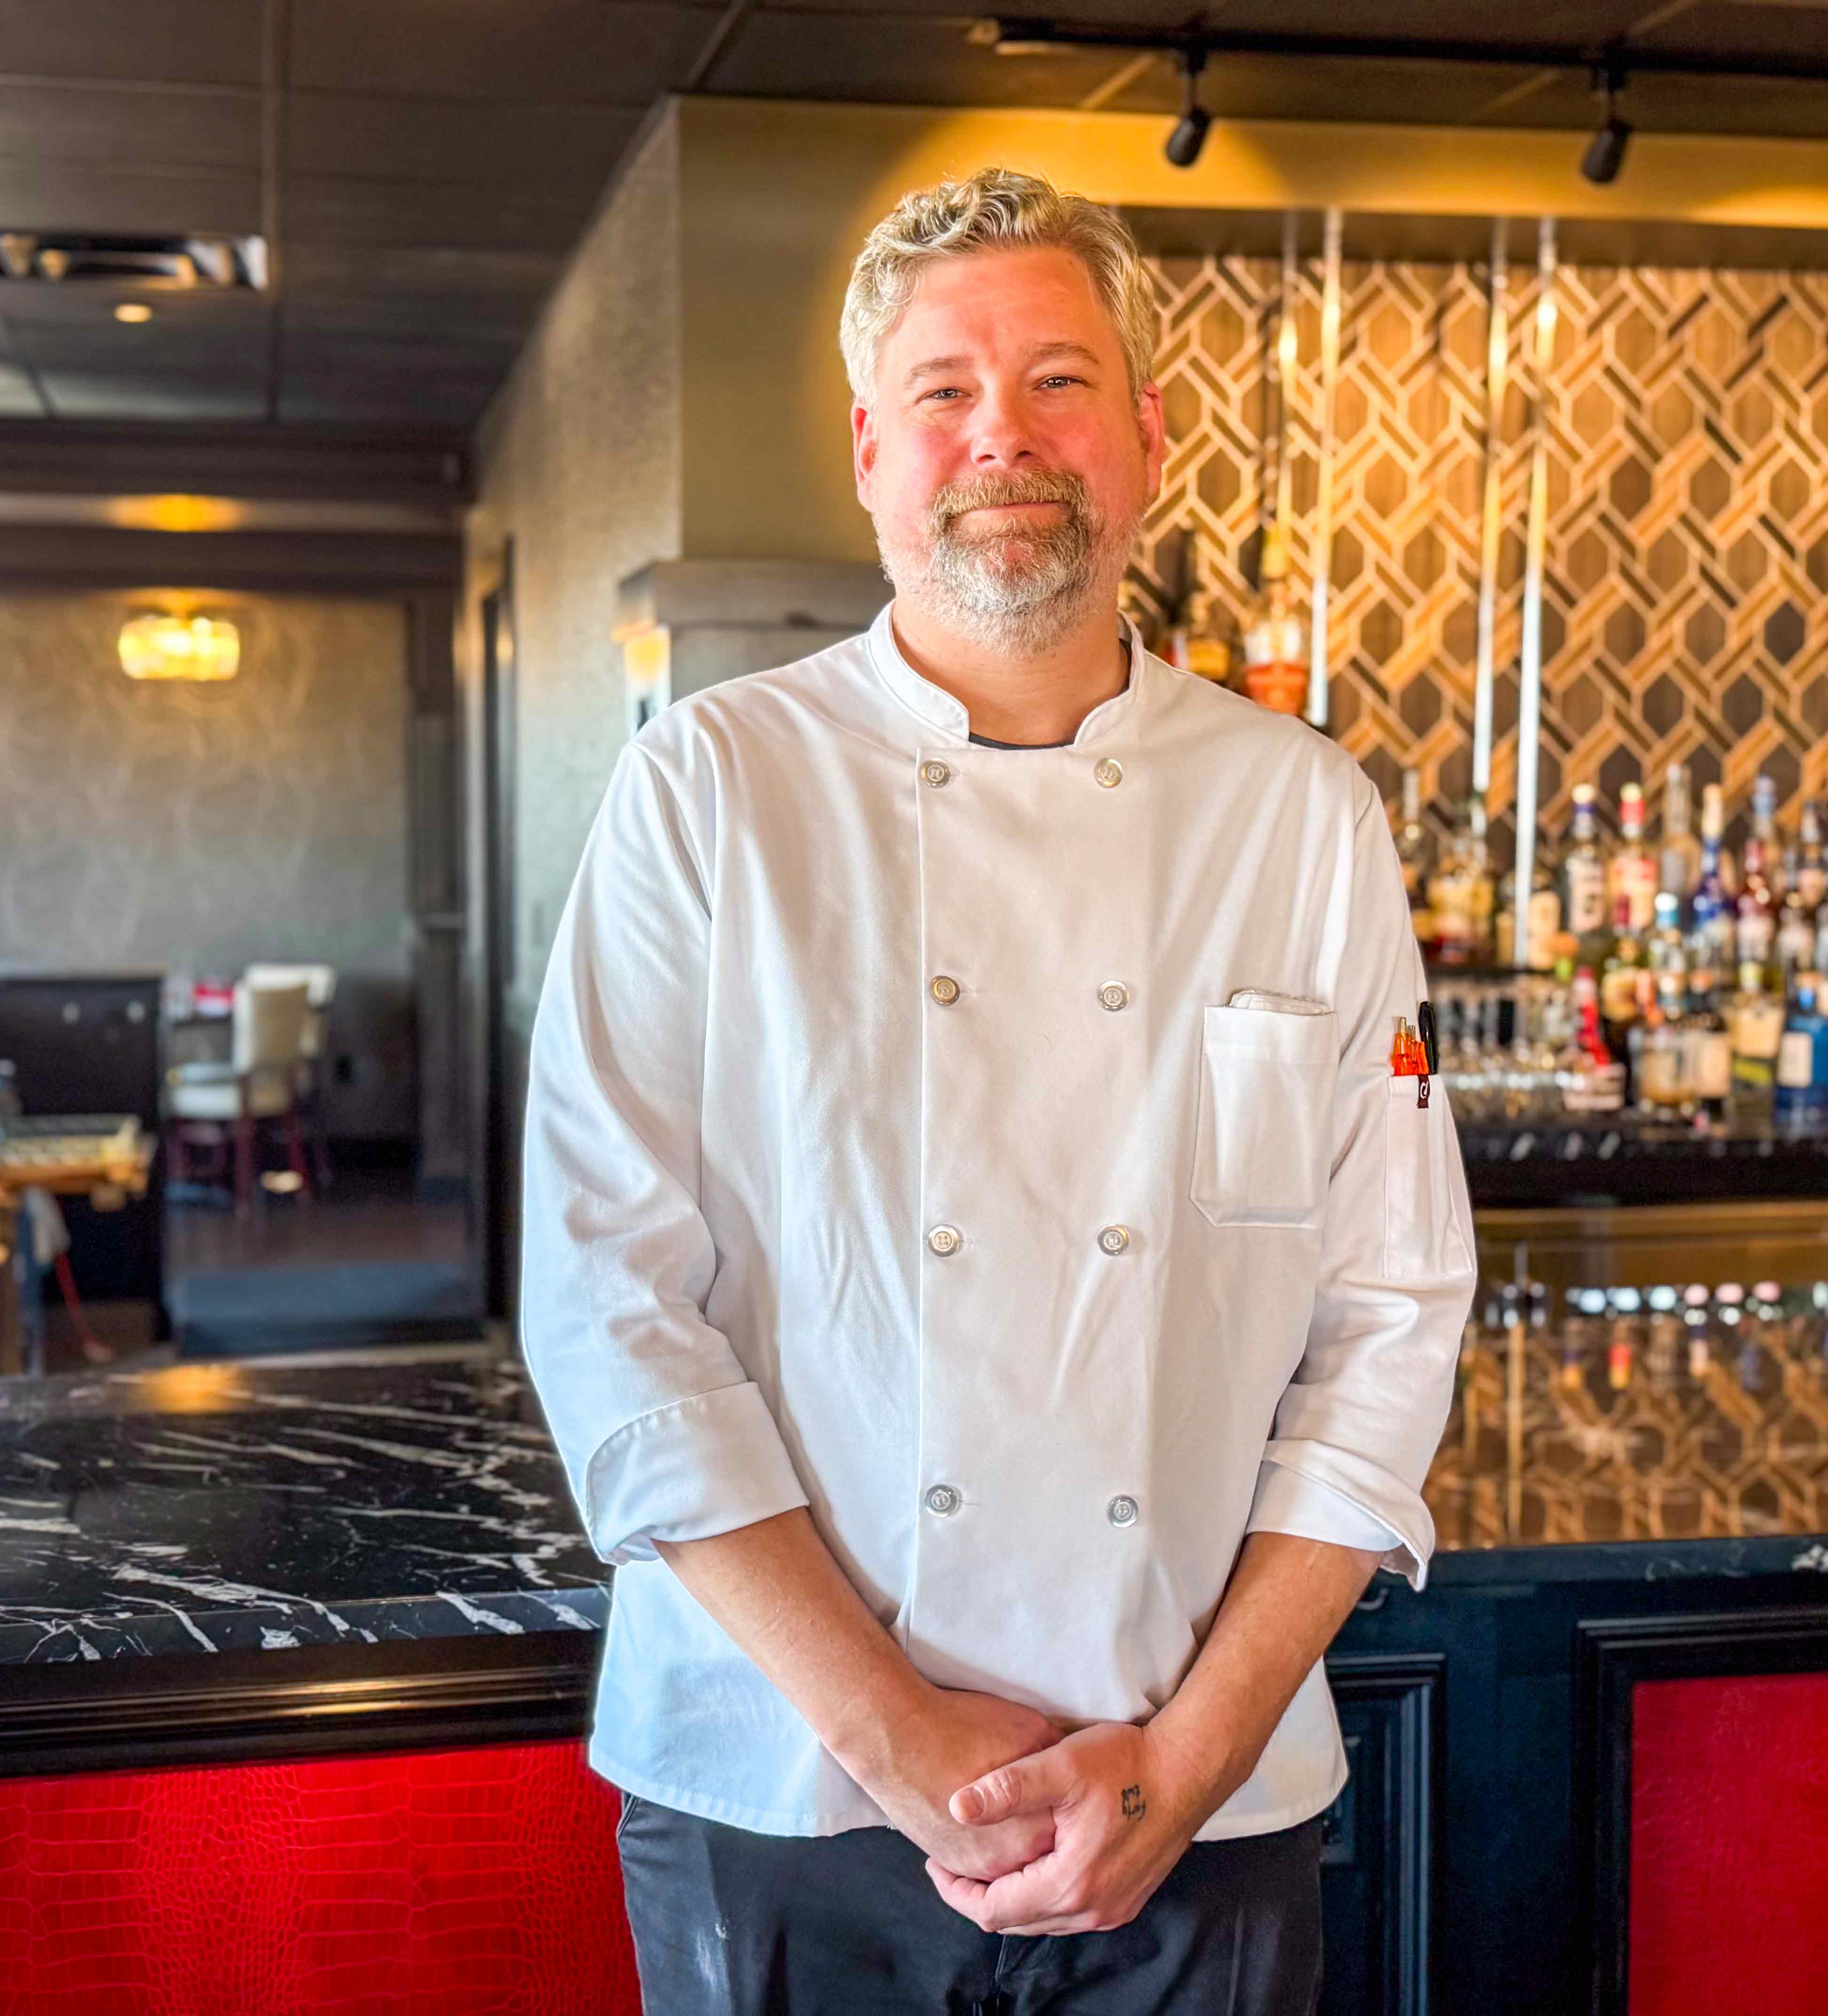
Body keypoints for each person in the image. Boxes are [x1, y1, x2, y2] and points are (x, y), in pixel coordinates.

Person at [522, 168, 1476, 2016]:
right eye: (945, 391)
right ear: (870, 452)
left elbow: (1389, 1317)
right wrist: (897, 1736)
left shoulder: (1301, 812)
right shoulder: (711, 789)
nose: (1003, 438)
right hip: (786, 1780)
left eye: (1058, 382)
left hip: (1195, 1791)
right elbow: (609, 1305)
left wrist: (1187, 1757)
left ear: (1150, 438)